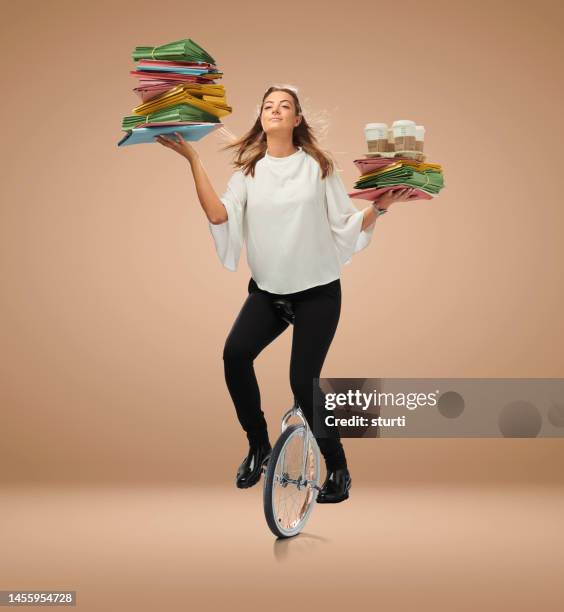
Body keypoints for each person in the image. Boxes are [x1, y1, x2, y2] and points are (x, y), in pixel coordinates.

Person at [156, 84, 414, 503]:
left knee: (303, 384)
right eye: (268, 106)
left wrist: (382, 207)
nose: (275, 111)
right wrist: (192, 159)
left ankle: (340, 469)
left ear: (297, 120)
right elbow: (218, 214)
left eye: (285, 106)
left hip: (317, 293)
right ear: (261, 118)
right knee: (234, 355)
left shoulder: (318, 166)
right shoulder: (247, 173)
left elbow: (345, 225)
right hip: (269, 293)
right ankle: (258, 444)